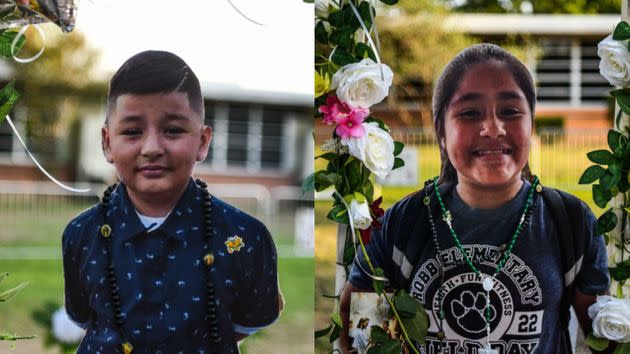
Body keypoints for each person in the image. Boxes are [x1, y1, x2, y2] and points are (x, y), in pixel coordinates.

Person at [340, 43, 610, 354]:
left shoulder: (570, 221)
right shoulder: (403, 221)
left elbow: (600, 338)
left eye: (510, 111)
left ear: (531, 123)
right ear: (441, 130)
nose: (492, 128)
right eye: (469, 113)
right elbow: (361, 338)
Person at [62, 50, 282, 354]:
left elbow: (248, 321)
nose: (152, 148)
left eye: (173, 130)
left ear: (203, 142)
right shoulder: (81, 234)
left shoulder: (246, 237)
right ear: (107, 142)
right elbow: (86, 317)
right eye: (132, 131)